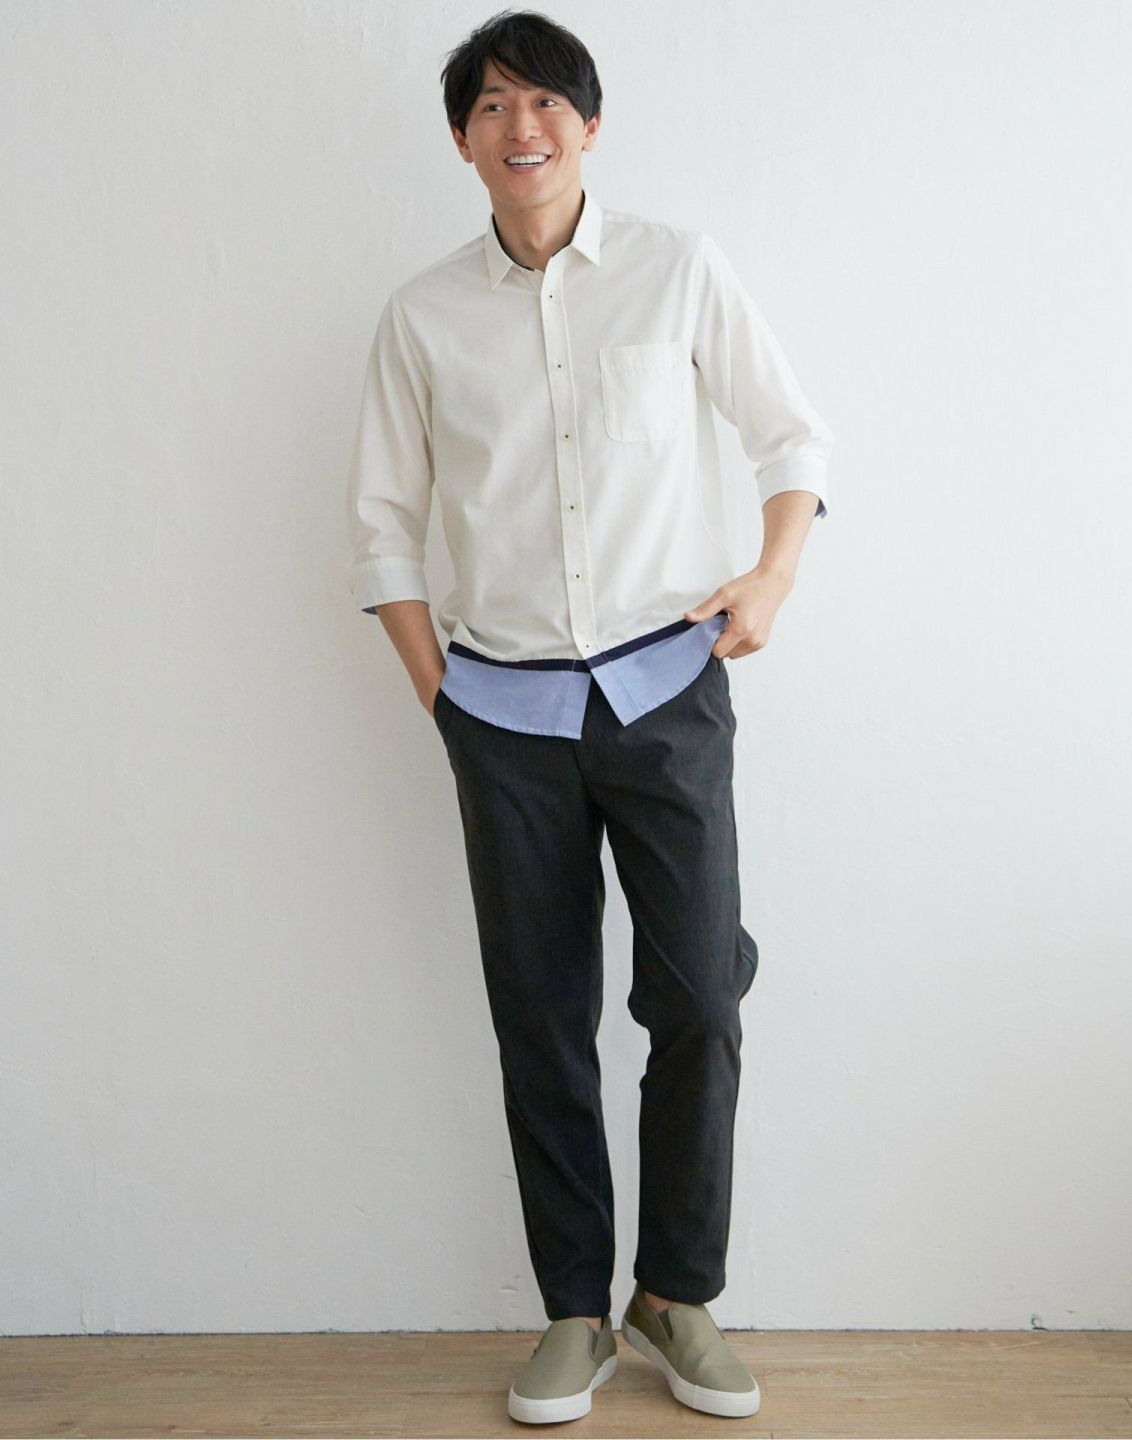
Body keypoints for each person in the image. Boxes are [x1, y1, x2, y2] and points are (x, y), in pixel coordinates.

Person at [345, 7, 833, 1425]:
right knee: (541, 1016)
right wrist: (441, 692)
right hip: (501, 713)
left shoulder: (681, 271)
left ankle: (674, 1295)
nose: (525, 127)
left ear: (591, 124)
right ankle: (573, 1309)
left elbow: (792, 436)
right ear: (462, 140)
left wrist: (771, 576)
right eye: (494, 106)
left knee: (700, 995)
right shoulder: (422, 317)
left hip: (668, 689)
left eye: (548, 101)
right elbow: (381, 522)